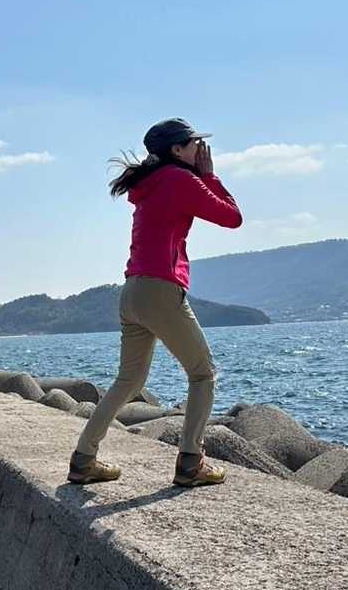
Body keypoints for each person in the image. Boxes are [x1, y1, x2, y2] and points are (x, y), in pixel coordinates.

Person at [69, 118, 244, 487]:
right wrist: (210, 176)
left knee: (128, 380)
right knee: (203, 374)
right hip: (161, 290)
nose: (201, 150)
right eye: (194, 143)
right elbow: (232, 218)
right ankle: (191, 463)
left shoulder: (148, 184)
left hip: (132, 291)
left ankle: (83, 459)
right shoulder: (181, 179)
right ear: (176, 150)